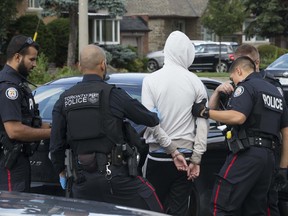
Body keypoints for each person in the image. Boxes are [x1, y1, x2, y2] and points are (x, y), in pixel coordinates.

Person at [49, 44, 163, 212]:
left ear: (80, 66)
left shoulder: (64, 99)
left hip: (82, 182)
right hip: (117, 178)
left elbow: (56, 144)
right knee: (153, 210)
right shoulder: (113, 94)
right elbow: (149, 119)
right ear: (103, 64)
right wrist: (154, 114)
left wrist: (61, 172)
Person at [192, 56, 288, 215]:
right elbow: (286, 132)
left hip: (247, 154)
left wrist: (205, 112)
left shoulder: (246, 87)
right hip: (269, 159)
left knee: (221, 204)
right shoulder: (275, 92)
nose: (233, 83)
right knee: (257, 209)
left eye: (233, 79)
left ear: (239, 70)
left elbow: (238, 117)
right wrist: (283, 168)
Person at [141, 31, 209, 215]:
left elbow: (150, 121)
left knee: (153, 210)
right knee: (180, 209)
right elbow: (203, 123)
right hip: (186, 158)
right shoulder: (196, 82)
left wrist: (171, 149)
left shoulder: (150, 81)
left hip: (157, 157)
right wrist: (197, 157)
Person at [0, 35, 51, 192]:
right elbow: (14, 130)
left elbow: (29, 122)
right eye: (32, 59)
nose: (35, 64)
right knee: (13, 210)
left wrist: (61, 126)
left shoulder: (18, 84)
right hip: (8, 163)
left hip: (18, 161)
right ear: (17, 57)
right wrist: (51, 133)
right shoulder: (9, 88)